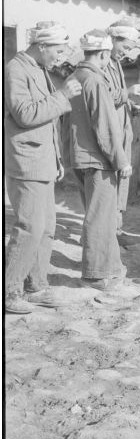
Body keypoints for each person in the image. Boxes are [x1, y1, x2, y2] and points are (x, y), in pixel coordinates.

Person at [4, 21, 82, 313]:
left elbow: (48, 123)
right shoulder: (16, 69)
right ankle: (11, 291)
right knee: (29, 228)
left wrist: (57, 160)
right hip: (26, 162)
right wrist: (63, 96)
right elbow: (25, 114)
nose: (60, 57)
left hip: (43, 160)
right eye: (58, 51)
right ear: (42, 46)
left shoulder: (39, 70)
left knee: (47, 227)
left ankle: (35, 285)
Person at [66, 30, 132, 291]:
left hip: (80, 158)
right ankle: (93, 275)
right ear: (104, 54)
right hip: (98, 160)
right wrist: (121, 160)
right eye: (107, 57)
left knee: (100, 215)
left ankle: (111, 268)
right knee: (99, 218)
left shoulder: (75, 77)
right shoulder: (95, 80)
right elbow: (105, 127)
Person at [105, 18, 140, 244]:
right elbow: (100, 99)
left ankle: (116, 230)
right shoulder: (100, 64)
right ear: (112, 39)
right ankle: (106, 233)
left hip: (122, 132)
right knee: (109, 185)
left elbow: (116, 95)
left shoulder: (116, 64)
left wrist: (130, 105)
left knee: (122, 181)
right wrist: (127, 93)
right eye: (124, 47)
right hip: (110, 134)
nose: (125, 53)